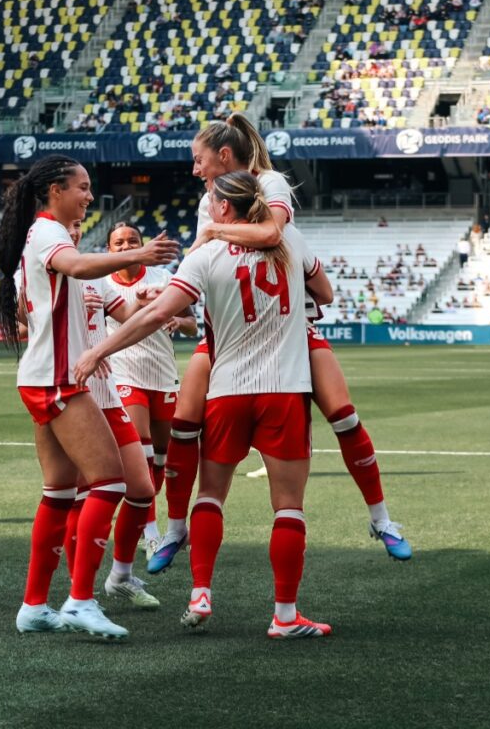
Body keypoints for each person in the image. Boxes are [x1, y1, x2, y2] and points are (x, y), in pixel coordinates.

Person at [74, 171, 335, 638]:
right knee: (288, 507)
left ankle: (200, 592)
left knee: (210, 495)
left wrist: (99, 351)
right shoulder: (291, 241)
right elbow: (326, 294)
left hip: (227, 390)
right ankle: (285, 615)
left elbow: (156, 314)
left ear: (220, 209)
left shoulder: (205, 255)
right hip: (284, 391)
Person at [149, 113, 411, 574]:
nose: (195, 171)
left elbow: (272, 234)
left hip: (287, 333)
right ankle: (175, 529)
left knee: (344, 416)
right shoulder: (207, 203)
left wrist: (214, 237)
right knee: (184, 422)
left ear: (224, 157)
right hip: (226, 334)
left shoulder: (269, 182)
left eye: (199, 160)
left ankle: (382, 519)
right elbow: (204, 254)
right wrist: (181, 285)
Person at [0, 155, 179, 638]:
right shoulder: (48, 233)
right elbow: (74, 264)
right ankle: (81, 599)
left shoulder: (53, 237)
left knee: (58, 494)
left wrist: (171, 303)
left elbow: (125, 316)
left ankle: (34, 605)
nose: (90, 196)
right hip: (58, 379)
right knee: (109, 482)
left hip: (50, 378)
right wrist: (137, 256)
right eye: (83, 187)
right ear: (56, 190)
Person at [100, 222, 197, 554]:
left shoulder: (164, 279)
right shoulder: (100, 283)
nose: (126, 247)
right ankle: (151, 533)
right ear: (109, 250)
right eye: (119, 243)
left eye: (132, 241)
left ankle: (145, 520)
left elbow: (192, 324)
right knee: (140, 454)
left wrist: (178, 321)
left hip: (163, 376)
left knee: (161, 460)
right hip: (124, 376)